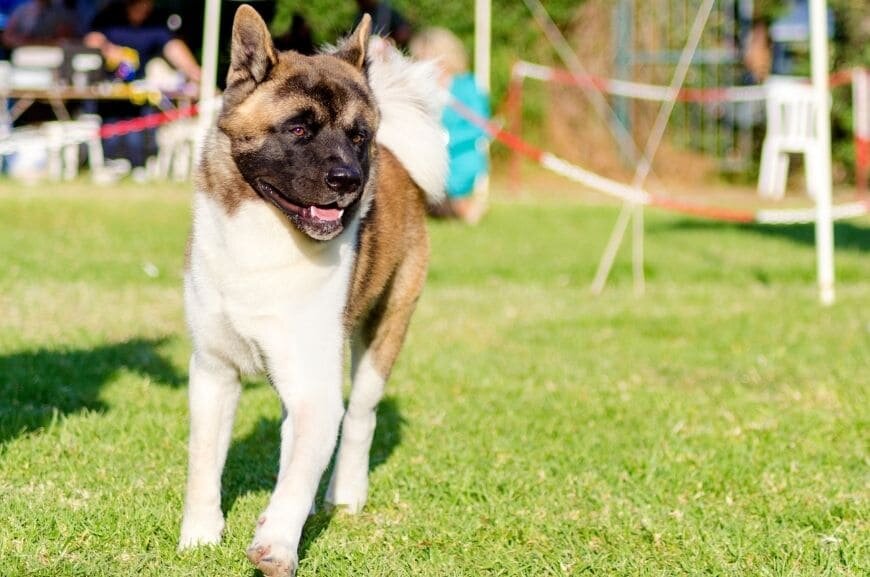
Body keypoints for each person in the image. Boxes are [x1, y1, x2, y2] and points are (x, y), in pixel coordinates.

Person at [84, 0, 201, 171]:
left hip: (141, 92)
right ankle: (112, 161)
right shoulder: (108, 16)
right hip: (110, 92)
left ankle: (139, 164)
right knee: (113, 127)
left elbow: (173, 46)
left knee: (142, 128)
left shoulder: (156, 21)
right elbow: (90, 39)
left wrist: (195, 71)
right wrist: (108, 48)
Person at [410, 27, 489, 224]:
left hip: (459, 159)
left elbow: (479, 126)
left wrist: (444, 139)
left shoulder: (467, 86)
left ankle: (461, 207)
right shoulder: (419, 88)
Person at [2, 0, 78, 48]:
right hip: (25, 55)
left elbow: (67, 37)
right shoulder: (22, 10)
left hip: (52, 55)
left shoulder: (61, 11)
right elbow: (6, 37)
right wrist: (22, 41)